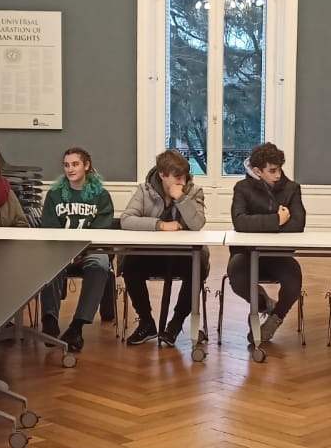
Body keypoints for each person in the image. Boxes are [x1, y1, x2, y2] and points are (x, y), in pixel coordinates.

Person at [119, 149, 208, 347]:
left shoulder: (193, 191)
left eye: (184, 177)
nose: (182, 182)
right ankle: (146, 322)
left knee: (198, 267)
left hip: (183, 256)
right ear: (162, 175)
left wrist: (181, 199)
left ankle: (175, 324)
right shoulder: (145, 190)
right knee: (130, 264)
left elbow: (197, 223)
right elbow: (126, 220)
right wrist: (160, 225)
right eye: (177, 177)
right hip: (151, 254)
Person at [229, 142, 307, 343]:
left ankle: (275, 319)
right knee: (237, 278)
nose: (278, 174)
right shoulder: (242, 188)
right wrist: (277, 220)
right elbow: (239, 222)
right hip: (245, 253)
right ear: (257, 171)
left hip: (278, 254)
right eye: (272, 170)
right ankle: (263, 303)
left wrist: (259, 224)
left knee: (293, 282)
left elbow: (298, 224)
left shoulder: (292, 189)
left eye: (280, 168)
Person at [39, 147, 115, 352]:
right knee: (49, 263)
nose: (70, 169)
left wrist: (81, 251)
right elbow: (49, 228)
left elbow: (101, 230)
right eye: (66, 165)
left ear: (86, 166)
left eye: (75, 164)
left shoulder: (101, 195)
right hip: (60, 250)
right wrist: (66, 251)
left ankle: (77, 326)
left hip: (90, 251)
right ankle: (49, 319)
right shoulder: (55, 195)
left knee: (100, 264)